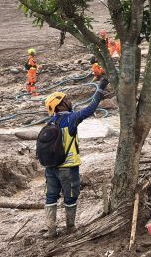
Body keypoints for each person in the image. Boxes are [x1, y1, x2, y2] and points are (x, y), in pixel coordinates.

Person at [42, 78, 109, 237]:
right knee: (70, 197)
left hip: (50, 169)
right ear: (60, 105)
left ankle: (51, 230)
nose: (69, 101)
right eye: (66, 100)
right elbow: (90, 109)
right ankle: (70, 228)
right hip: (68, 168)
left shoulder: (49, 122)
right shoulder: (71, 119)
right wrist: (100, 89)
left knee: (51, 196)